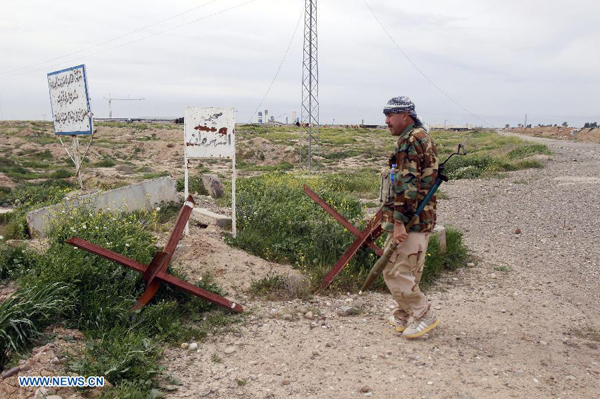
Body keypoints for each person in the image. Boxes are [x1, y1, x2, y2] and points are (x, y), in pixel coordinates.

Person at [381, 96, 440, 339]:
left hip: (411, 220)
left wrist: (398, 222)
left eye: (390, 115)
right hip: (422, 218)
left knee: (394, 271)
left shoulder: (409, 141)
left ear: (405, 115)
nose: (386, 121)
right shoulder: (422, 137)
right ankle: (405, 315)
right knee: (409, 270)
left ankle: (423, 313)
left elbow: (407, 185)